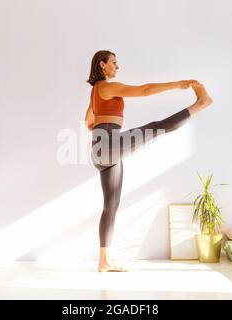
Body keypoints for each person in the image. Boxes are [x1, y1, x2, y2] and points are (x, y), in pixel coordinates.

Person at [84, 50, 213, 272]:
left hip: (101, 149)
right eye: (114, 62)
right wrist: (178, 84)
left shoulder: (95, 92)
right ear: (102, 65)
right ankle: (200, 103)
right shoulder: (105, 86)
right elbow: (144, 90)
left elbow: (88, 122)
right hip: (109, 143)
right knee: (156, 127)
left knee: (111, 206)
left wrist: (104, 123)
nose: (118, 66)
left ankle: (104, 261)